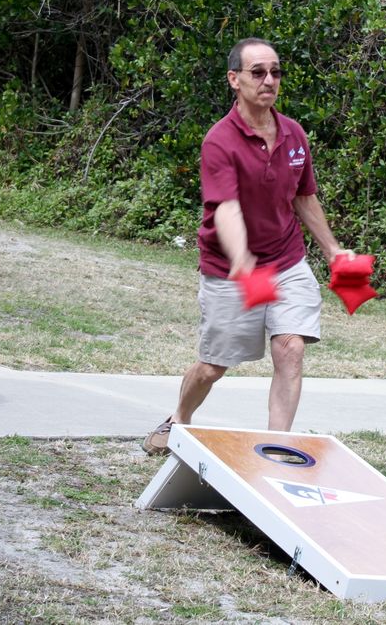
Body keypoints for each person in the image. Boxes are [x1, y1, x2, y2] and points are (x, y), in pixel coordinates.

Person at [143, 38, 350, 455]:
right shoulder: (220, 141)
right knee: (213, 366)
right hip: (229, 269)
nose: (269, 80)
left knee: (290, 347)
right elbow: (225, 209)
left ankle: (277, 447)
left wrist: (331, 249)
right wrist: (242, 262)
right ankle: (179, 419)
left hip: (287, 259)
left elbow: (304, 197)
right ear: (234, 79)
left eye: (275, 71)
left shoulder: (293, 134)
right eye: (258, 72)